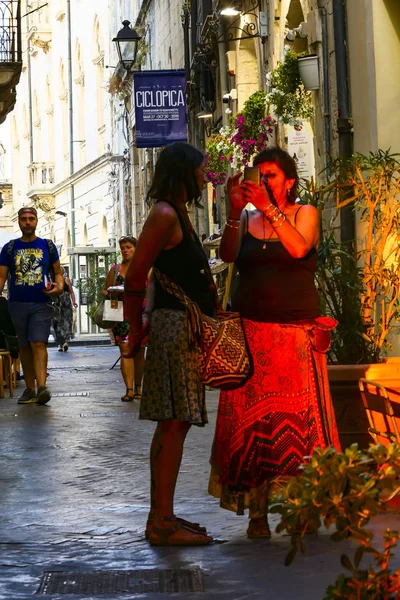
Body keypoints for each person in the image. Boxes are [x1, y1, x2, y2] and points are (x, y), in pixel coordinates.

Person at [208, 147, 341, 538]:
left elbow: (299, 247)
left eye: (272, 176)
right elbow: (229, 254)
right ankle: (257, 512)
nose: (264, 182)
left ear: (289, 180)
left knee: (302, 422)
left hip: (294, 334)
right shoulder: (247, 218)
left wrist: (269, 209)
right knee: (254, 426)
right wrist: (234, 214)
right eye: (260, 176)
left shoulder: (306, 214)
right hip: (250, 333)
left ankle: (305, 505)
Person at [123, 142, 214, 546]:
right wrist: (134, 332)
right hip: (174, 329)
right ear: (184, 170)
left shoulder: (177, 213)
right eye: (201, 168)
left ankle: (163, 515)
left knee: (174, 425)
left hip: (182, 328)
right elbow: (135, 275)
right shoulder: (164, 214)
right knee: (173, 425)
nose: (204, 175)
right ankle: (161, 521)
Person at [0, 206, 63, 405]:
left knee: (38, 343)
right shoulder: (9, 248)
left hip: (41, 303)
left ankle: (42, 387)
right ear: (19, 222)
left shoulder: (47, 246)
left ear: (37, 221)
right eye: (24, 219)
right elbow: (2, 276)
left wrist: (59, 288)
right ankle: (29, 389)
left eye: (31, 218)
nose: (28, 222)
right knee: (25, 347)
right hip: (17, 303)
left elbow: (58, 273)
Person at [102, 236, 146, 402]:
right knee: (125, 349)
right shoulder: (115, 269)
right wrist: (112, 292)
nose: (125, 251)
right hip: (120, 313)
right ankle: (128, 389)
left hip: (140, 313)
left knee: (140, 352)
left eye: (129, 247)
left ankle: (139, 387)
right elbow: (105, 290)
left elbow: (152, 289)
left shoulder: (144, 268)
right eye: (123, 248)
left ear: (136, 248)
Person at [52, 267, 78, 352]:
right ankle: (65, 342)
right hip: (64, 302)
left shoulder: (56, 281)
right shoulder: (65, 280)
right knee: (66, 322)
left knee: (59, 322)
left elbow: (71, 291)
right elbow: (71, 292)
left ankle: (61, 344)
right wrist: (73, 301)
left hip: (59, 302)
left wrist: (74, 301)